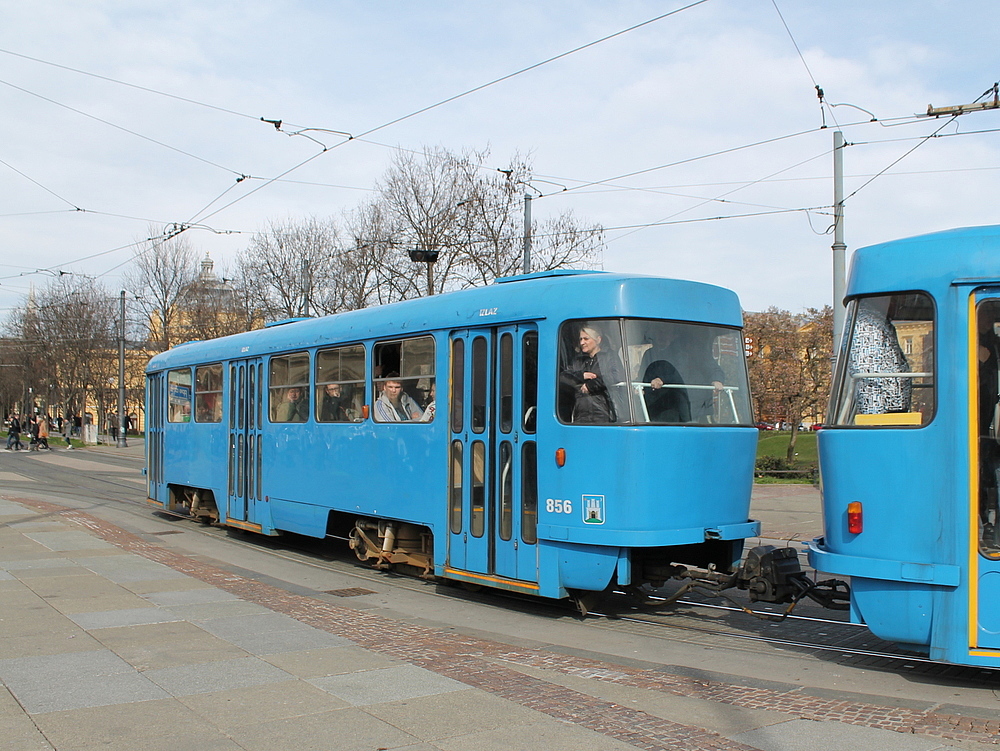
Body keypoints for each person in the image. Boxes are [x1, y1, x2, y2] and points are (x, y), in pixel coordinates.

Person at [639, 325, 724, 423]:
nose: (661, 336)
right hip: (655, 407)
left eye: (665, 333)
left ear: (674, 336)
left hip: (687, 408)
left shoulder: (681, 353)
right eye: (659, 332)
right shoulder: (648, 354)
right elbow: (643, 376)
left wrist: (717, 380)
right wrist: (638, 385)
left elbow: (679, 372)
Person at [559, 326, 626, 424]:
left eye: (586, 339)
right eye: (581, 339)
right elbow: (563, 377)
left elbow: (616, 376)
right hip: (580, 413)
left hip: (605, 412)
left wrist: (591, 385)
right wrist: (581, 376)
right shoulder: (578, 360)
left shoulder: (610, 356)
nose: (582, 343)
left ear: (598, 340)